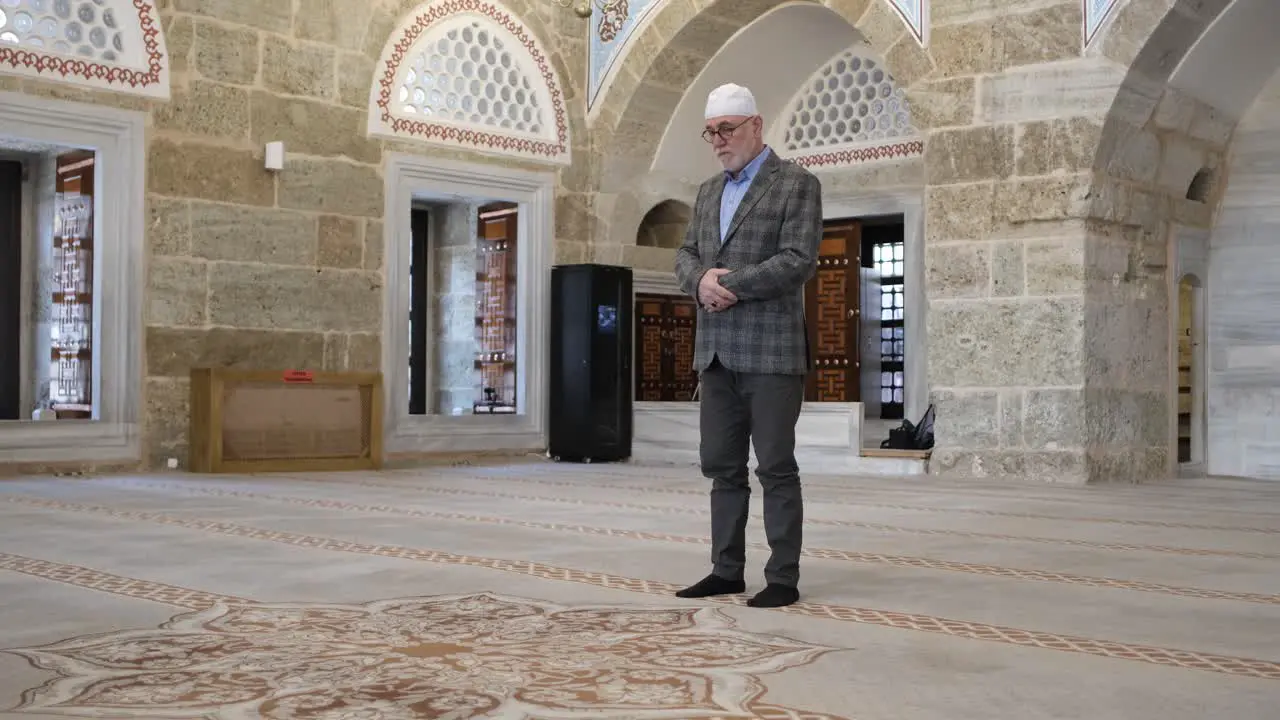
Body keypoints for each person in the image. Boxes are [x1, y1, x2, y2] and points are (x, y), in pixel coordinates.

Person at [673, 82, 823, 609]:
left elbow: (797, 259)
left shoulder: (796, 184)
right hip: (715, 352)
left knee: (776, 466)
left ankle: (782, 575)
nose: (717, 140)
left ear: (756, 126)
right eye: (710, 132)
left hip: (772, 354)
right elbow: (686, 254)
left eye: (727, 130)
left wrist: (729, 283)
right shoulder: (708, 190)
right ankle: (726, 570)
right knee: (721, 466)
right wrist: (698, 282)